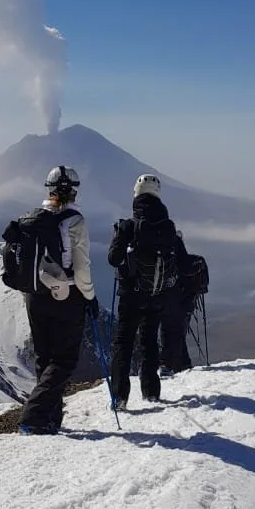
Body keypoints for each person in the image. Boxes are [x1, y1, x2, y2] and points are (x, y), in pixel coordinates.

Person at [18, 166, 98, 435]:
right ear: (73, 190)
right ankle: (34, 415)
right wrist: (90, 296)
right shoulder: (75, 221)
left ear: (49, 189)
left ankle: (49, 420)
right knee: (64, 360)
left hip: (34, 295)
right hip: (67, 295)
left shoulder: (33, 219)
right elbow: (82, 266)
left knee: (44, 357)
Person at [108, 173, 187, 407]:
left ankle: (119, 397)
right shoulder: (168, 228)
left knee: (123, 343)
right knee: (149, 341)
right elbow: (183, 263)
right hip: (156, 294)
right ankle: (151, 392)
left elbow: (114, 259)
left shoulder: (128, 226)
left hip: (130, 295)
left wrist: (120, 239)